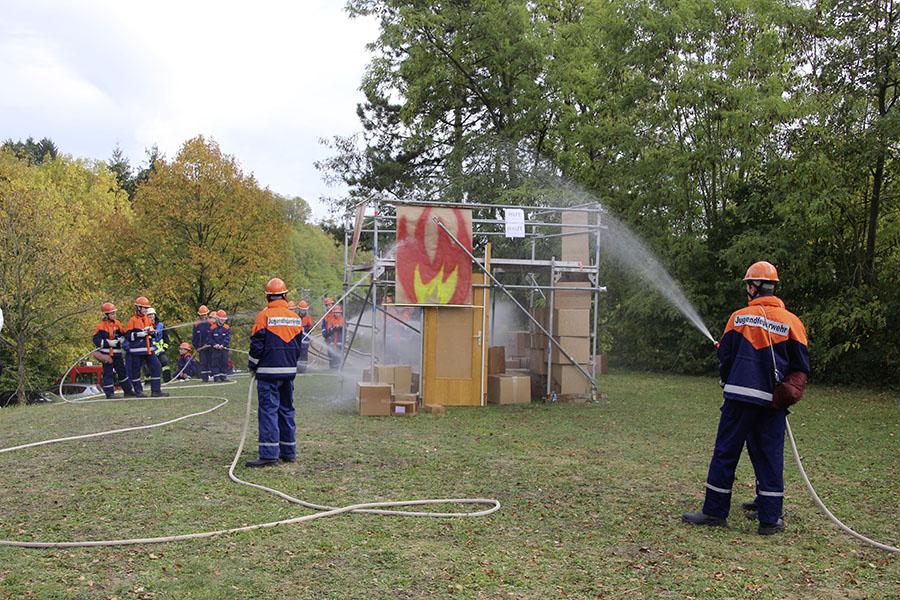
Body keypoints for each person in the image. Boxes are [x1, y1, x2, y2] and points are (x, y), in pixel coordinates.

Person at [683, 261, 809, 535]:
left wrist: (726, 379)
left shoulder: (738, 318)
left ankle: (715, 512)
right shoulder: (793, 322)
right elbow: (800, 367)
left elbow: (726, 357)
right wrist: (783, 396)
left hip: (739, 398)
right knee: (769, 456)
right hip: (773, 403)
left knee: (726, 453)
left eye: (748, 285)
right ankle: (769, 519)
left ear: (754, 287)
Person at [246, 277, 303, 467]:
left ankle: (269, 454)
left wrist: (252, 365)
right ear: (285, 296)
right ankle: (288, 451)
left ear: (268, 297)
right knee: (286, 410)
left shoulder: (264, 317)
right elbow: (298, 347)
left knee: (268, 411)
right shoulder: (296, 319)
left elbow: (257, 346)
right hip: (288, 372)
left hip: (268, 372)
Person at [125, 296, 169, 398]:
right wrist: (138, 334)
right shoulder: (132, 320)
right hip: (137, 351)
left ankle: (156, 391)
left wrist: (152, 332)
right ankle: (138, 391)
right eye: (144, 308)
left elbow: (152, 335)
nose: (146, 310)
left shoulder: (148, 320)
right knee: (136, 371)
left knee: (157, 367)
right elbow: (127, 336)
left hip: (149, 350)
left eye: (147, 308)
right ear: (138, 308)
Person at [91, 302, 135, 399]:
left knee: (122, 372)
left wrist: (121, 339)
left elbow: (123, 334)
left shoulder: (117, 323)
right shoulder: (100, 326)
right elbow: (96, 340)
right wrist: (108, 343)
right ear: (106, 315)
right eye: (112, 313)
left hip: (117, 354)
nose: (114, 315)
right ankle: (110, 394)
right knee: (108, 374)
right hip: (107, 355)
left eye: (114, 313)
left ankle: (128, 391)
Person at [147, 308, 171, 382]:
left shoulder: (161, 325)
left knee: (165, 362)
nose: (151, 316)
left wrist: (164, 348)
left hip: (160, 351)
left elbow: (166, 338)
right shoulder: (145, 326)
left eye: (152, 314)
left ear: (155, 315)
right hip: (149, 351)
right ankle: (148, 381)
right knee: (147, 366)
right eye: (149, 315)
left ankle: (167, 380)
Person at [192, 305, 212, 382]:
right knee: (203, 362)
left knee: (211, 361)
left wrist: (210, 343)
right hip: (201, 348)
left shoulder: (210, 323)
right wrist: (197, 347)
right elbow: (194, 338)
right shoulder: (196, 324)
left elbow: (213, 335)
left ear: (207, 314)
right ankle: (204, 378)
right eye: (202, 315)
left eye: (205, 315)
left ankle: (211, 376)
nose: (203, 316)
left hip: (210, 346)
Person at [210, 309, 231, 382]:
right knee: (216, 362)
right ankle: (217, 377)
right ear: (218, 319)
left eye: (224, 320)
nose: (223, 321)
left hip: (224, 349)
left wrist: (223, 345)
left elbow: (228, 338)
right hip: (215, 349)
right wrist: (214, 344)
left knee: (224, 362)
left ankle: (223, 376)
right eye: (222, 319)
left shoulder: (227, 328)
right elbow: (209, 338)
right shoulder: (212, 328)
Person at [296, 300, 313, 373]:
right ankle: (297, 368)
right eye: (302, 309)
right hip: (297, 339)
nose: (303, 311)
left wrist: (305, 328)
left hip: (305, 339)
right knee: (297, 353)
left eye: (304, 310)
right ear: (299, 309)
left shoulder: (308, 317)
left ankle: (303, 369)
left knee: (304, 355)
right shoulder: (295, 317)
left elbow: (311, 328)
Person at [325, 304, 344, 370]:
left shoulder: (342, 319)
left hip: (339, 340)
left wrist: (339, 327)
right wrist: (333, 328)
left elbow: (343, 327)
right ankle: (333, 367)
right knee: (332, 354)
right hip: (333, 340)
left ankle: (339, 367)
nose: (337, 314)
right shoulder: (331, 319)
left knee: (339, 354)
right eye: (335, 312)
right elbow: (329, 329)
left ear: (340, 312)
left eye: (338, 312)